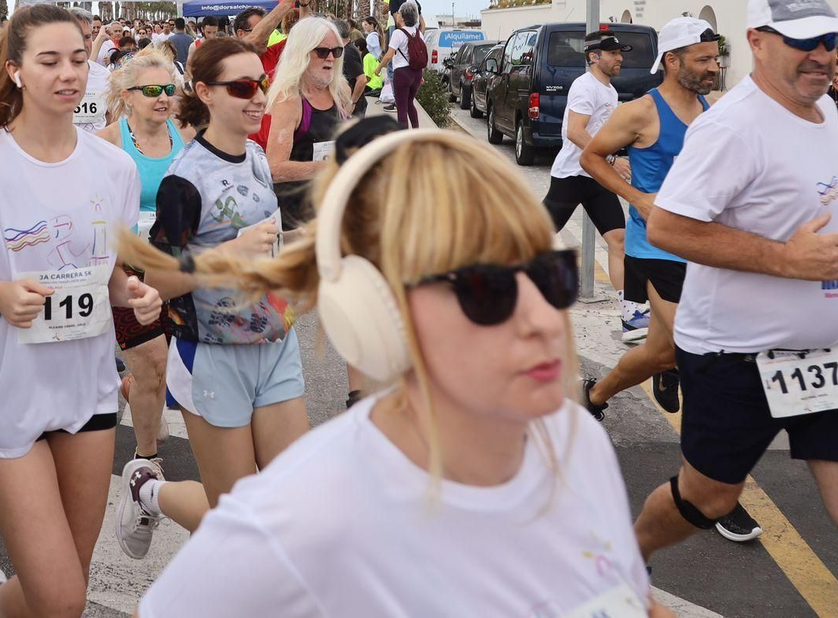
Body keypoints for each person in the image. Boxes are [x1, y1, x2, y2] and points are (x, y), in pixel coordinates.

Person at [136, 127, 664, 618]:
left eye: (550, 274)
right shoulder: (306, 515)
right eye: (488, 291)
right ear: (379, 313)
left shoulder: (577, 446)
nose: (540, 320)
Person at [629, 0, 838, 615]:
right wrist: (785, 260)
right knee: (709, 499)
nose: (821, 55)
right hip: (739, 355)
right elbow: (670, 227)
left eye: (830, 41)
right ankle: (619, 556)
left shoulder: (827, 110)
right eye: (803, 42)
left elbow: (815, 192)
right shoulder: (730, 128)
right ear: (757, 44)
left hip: (832, 350)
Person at [0, 3, 161, 618]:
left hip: (89, 392)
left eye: (78, 58)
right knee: (64, 598)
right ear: (16, 70)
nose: (68, 73)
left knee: (61, 591)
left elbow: (109, 274)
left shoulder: (114, 168)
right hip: (7, 395)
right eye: (49, 61)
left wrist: (132, 292)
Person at [576, 19, 764, 543]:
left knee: (662, 352)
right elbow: (592, 156)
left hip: (701, 249)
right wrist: (636, 198)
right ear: (673, 61)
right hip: (654, 248)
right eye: (702, 59)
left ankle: (592, 398)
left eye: (714, 58)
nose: (713, 67)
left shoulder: (712, 113)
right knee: (700, 355)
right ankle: (717, 492)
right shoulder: (639, 112)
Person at [114, 36, 302, 561]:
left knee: (293, 503)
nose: (258, 96)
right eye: (241, 86)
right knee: (237, 521)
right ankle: (148, 491)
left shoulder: (260, 157)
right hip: (213, 353)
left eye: (260, 83)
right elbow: (158, 280)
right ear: (204, 92)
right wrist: (229, 254)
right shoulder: (185, 179)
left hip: (275, 343)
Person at [96, 49, 193, 479]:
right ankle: (146, 457)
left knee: (163, 366)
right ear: (127, 95)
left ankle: (138, 390)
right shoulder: (106, 142)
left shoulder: (186, 136)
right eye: (152, 90)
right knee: (153, 360)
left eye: (169, 89)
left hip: (175, 266)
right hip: (128, 271)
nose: (162, 98)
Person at [541, 31, 633, 334]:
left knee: (619, 241)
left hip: (595, 176)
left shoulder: (609, 90)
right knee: (535, 239)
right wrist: (609, 161)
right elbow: (575, 132)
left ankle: (629, 313)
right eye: (612, 53)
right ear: (594, 56)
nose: (619, 58)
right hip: (572, 175)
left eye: (620, 53)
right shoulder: (585, 87)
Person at [265, 17, 352, 229]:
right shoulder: (289, 99)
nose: (331, 58)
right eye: (322, 52)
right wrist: (328, 167)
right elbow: (274, 169)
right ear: (302, 54)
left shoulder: (340, 91)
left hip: (332, 209)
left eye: (336, 51)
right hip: (298, 218)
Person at [378, 0, 424, 128]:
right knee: (410, 103)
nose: (396, 15)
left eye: (398, 13)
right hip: (416, 74)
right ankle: (416, 132)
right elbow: (420, 55)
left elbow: (389, 55)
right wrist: (422, 76)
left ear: (402, 17)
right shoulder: (419, 33)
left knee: (401, 107)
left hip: (402, 74)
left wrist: (378, 68)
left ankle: (403, 138)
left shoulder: (398, 33)